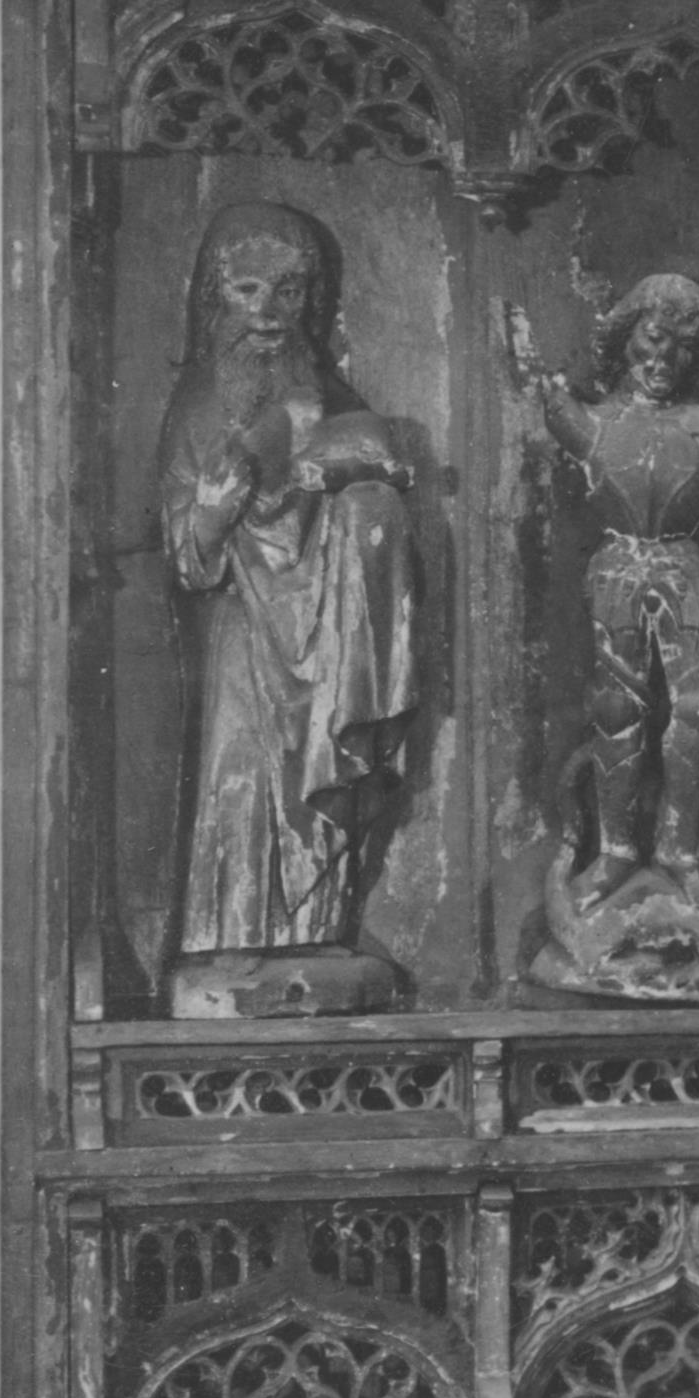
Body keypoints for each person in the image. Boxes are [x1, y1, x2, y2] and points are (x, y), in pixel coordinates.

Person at [154, 201, 421, 1013]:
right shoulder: (198, 404)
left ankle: (317, 931)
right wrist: (227, 491)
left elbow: (369, 479)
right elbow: (187, 555)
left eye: (289, 292)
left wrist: (350, 490)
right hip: (244, 627)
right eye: (248, 290)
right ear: (215, 298)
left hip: (329, 633)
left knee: (323, 782)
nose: (269, 312)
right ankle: (230, 939)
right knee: (242, 776)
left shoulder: (333, 399)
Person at [508, 271, 699, 999]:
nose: (663, 357)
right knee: (616, 709)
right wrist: (531, 362)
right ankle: (613, 850)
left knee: (698, 710)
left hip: (685, 570)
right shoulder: (599, 422)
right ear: (627, 340)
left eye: (680, 347)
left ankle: (681, 850)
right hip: (617, 569)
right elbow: (555, 406)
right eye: (652, 338)